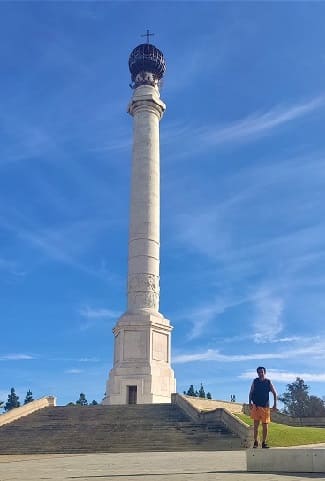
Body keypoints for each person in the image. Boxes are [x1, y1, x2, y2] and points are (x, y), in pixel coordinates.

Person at [249, 366, 277, 448]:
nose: (261, 373)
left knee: (265, 426)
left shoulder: (268, 382)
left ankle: (264, 442)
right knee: (256, 425)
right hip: (256, 406)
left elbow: (275, 393)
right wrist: (249, 402)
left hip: (265, 406)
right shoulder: (255, 381)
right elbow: (251, 392)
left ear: (265, 372)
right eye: (259, 372)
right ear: (257, 373)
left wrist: (275, 404)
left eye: (262, 372)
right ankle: (255, 442)